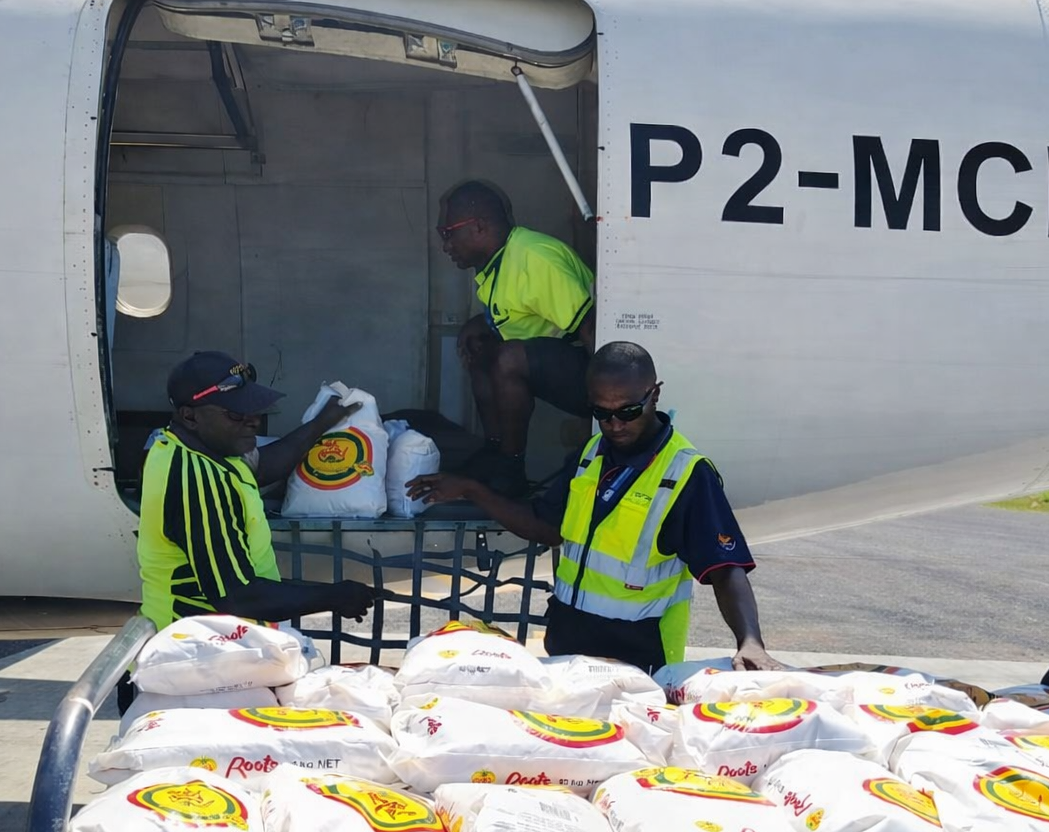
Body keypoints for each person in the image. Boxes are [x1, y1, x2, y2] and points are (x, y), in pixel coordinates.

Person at [407, 341, 781, 674]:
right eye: (601, 412)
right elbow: (546, 526)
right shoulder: (590, 456)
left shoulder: (685, 473)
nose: (614, 424)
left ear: (654, 396)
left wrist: (750, 641)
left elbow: (725, 567)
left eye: (628, 411)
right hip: (570, 652)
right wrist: (474, 490)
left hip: (641, 663)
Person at [129, 351, 380, 708]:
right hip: (193, 663)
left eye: (255, 410)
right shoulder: (196, 480)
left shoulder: (201, 448)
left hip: (221, 651)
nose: (253, 422)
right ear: (190, 415)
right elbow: (237, 595)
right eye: (236, 413)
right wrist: (334, 596)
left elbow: (263, 468)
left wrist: (324, 421)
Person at [438, 180, 596, 496]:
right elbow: (521, 316)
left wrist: (613, 411)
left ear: (478, 227)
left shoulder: (533, 258)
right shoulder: (498, 262)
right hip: (562, 359)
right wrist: (479, 324)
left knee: (507, 358)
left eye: (448, 233)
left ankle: (510, 468)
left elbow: (592, 328)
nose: (446, 246)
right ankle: (494, 452)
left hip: (593, 373)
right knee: (483, 350)